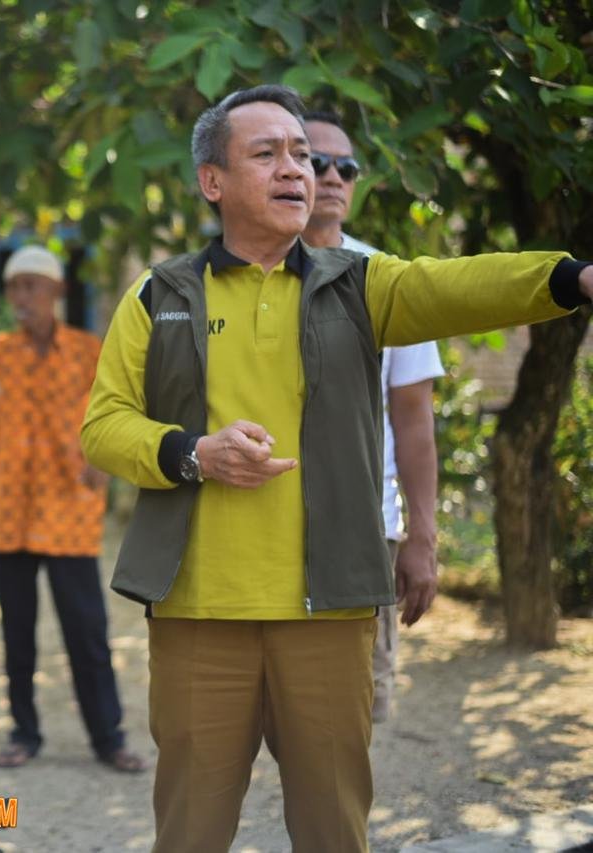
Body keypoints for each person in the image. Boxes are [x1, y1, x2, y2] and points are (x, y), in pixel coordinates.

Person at [80, 84, 593, 852]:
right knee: (190, 829)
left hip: (331, 611)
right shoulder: (160, 294)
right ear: (212, 181)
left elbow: (458, 287)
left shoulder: (359, 284)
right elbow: (103, 426)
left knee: (333, 829)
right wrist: (194, 452)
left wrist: (572, 279)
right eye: (269, 153)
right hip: (196, 611)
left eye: (304, 154)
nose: (300, 170)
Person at [301, 109, 444, 724]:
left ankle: (339, 823)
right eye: (316, 161)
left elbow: (413, 421)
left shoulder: (387, 282)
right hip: (260, 530)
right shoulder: (226, 279)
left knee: (356, 706)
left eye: (346, 167)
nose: (332, 176)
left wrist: (422, 534)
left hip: (365, 534)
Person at [0, 245, 145, 774]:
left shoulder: (87, 351)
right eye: (15, 287)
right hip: (9, 509)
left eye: (34, 285)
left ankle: (109, 737)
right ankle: (24, 732)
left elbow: (120, 409)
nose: (23, 296)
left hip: (69, 508)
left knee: (86, 631)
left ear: (57, 291)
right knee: (17, 635)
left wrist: (108, 459)